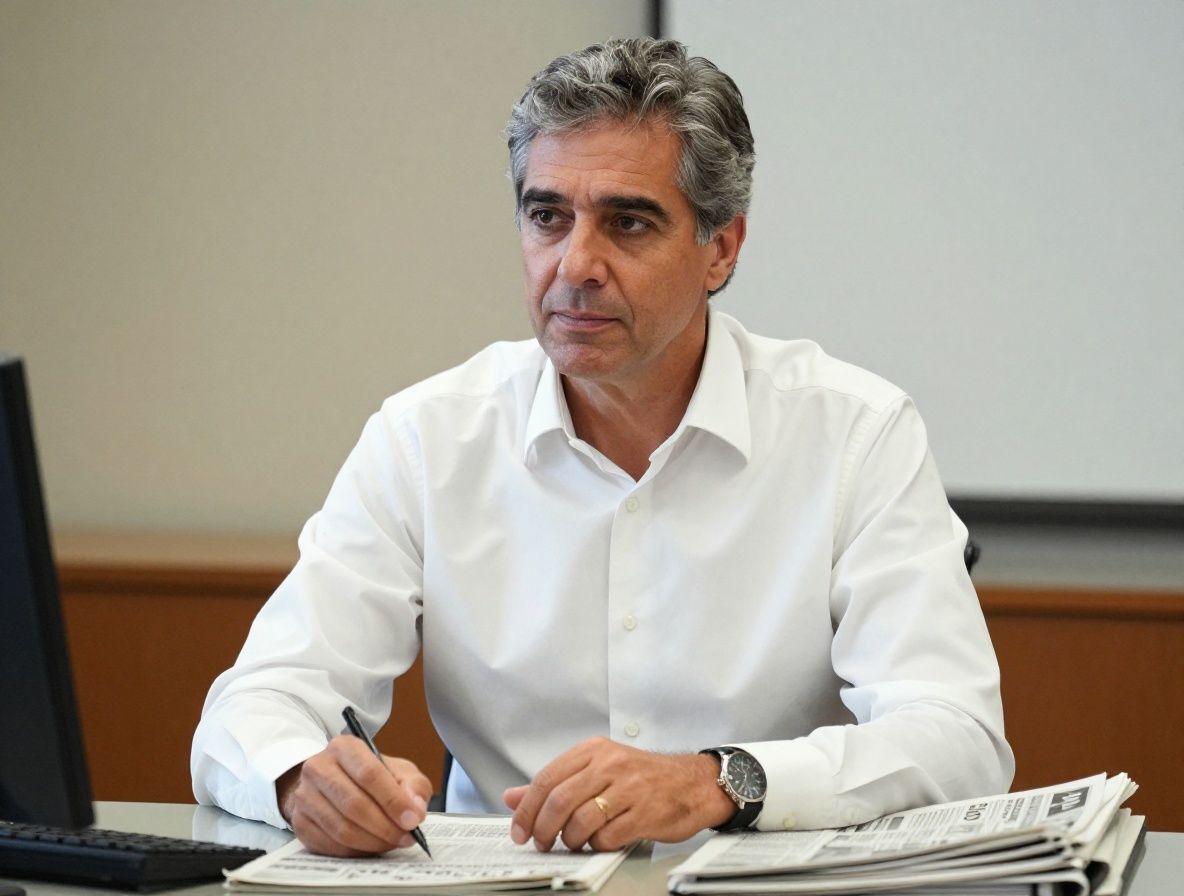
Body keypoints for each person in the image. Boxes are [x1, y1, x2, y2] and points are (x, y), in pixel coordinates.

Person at [192, 37, 1013, 858]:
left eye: (628, 223)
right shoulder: (427, 438)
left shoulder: (854, 433)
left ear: (720, 248)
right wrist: (303, 778)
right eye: (548, 217)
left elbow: (956, 734)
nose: (575, 265)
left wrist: (716, 782)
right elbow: (258, 702)